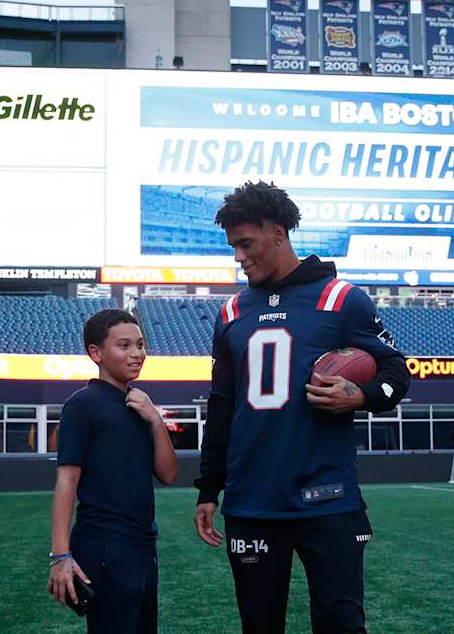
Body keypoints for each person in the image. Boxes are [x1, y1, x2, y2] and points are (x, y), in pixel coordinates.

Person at [193, 181, 410, 634]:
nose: (238, 257)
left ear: (278, 232)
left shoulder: (341, 299)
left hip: (327, 498)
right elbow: (223, 406)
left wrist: (361, 395)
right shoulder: (232, 311)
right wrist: (209, 487)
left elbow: (395, 372)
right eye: (233, 246)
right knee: (259, 625)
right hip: (252, 499)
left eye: (245, 244)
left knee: (340, 625)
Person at [49, 309, 177, 633]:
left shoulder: (138, 405)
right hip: (104, 545)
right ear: (96, 353)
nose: (137, 354)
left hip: (143, 544)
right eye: (124, 345)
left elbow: (168, 474)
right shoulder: (83, 404)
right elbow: (67, 480)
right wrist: (60, 555)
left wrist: (156, 419)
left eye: (140, 344)